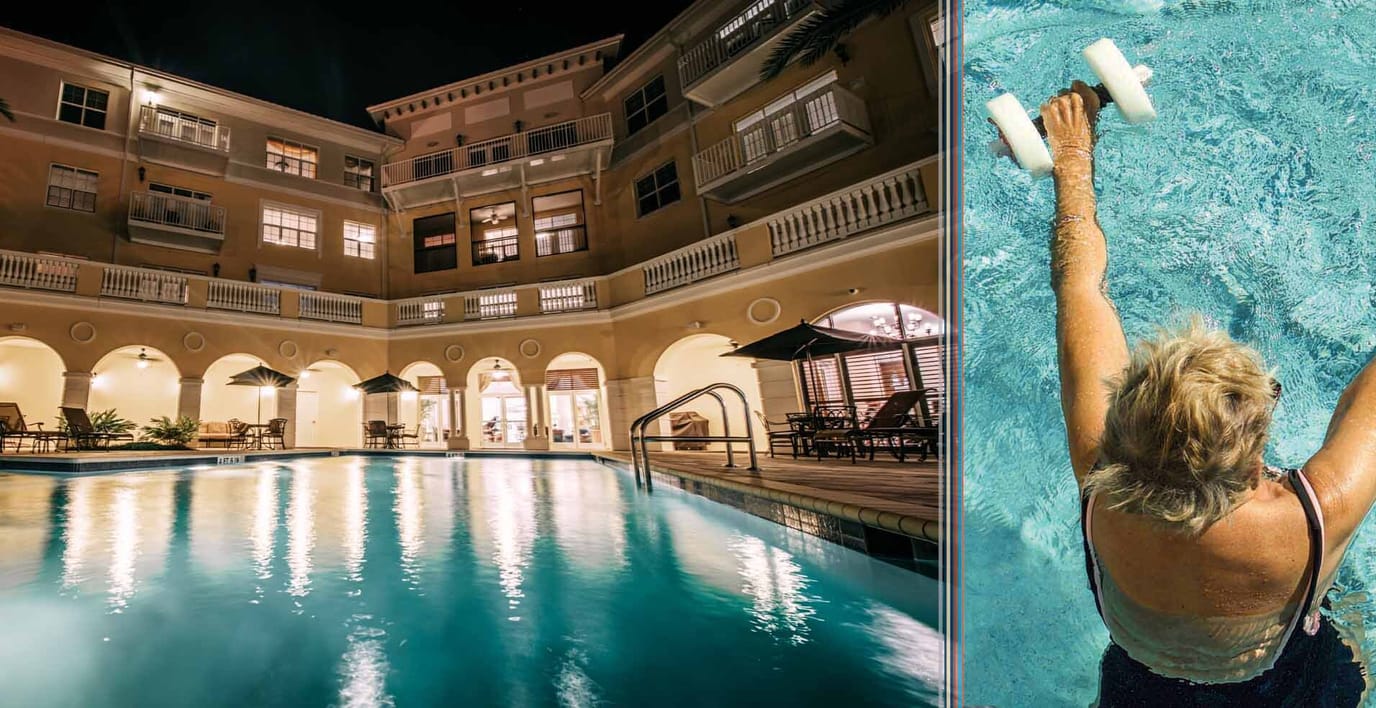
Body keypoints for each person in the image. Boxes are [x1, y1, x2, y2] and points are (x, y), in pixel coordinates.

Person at [1043, 81, 1370, 705]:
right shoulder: (1314, 517)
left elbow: (1078, 287)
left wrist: (1072, 156)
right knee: (1348, 639)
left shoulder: (1099, 478)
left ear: (1122, 416)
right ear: (1254, 456)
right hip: (1288, 680)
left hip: (1143, 684)